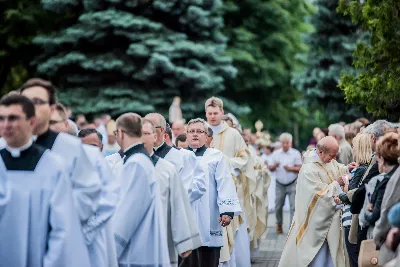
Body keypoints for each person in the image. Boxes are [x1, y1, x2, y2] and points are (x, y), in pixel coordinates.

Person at [0, 95, 91, 267]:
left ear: (31, 122)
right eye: (1, 118)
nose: (6, 125)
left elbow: (62, 229)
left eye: (13, 118)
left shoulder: (52, 167)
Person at [19, 78, 102, 224]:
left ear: (51, 109)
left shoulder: (72, 148)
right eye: (25, 102)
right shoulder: (5, 147)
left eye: (37, 102)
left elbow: (87, 198)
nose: (30, 107)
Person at [278, 136, 350, 267]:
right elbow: (317, 196)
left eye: (335, 156)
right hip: (314, 223)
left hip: (330, 221)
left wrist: (347, 169)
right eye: (332, 155)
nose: (334, 159)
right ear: (321, 152)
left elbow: (337, 168)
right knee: (318, 260)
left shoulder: (328, 160)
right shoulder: (308, 169)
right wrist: (336, 184)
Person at [112, 113, 170, 266]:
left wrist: (111, 250)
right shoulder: (141, 160)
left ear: (121, 133)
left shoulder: (136, 163)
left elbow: (128, 213)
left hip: (136, 250)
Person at [141, 119, 202, 267]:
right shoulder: (127, 162)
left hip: (174, 218)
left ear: (159, 132)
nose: (144, 137)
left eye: (148, 132)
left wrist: (170, 206)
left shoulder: (181, 157)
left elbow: (189, 189)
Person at [205, 96, 256, 267]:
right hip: (207, 190)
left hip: (231, 188)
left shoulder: (233, 134)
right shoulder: (201, 132)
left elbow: (245, 157)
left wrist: (227, 164)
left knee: (233, 228)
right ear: (205, 113)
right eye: (209, 113)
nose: (212, 116)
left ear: (222, 112)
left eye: (215, 113)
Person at [184, 118, 242, 267]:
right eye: (192, 131)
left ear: (206, 136)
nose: (195, 135)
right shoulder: (179, 156)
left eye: (199, 131)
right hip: (185, 215)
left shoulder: (216, 156)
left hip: (210, 214)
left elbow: (224, 183)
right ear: (186, 135)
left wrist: (227, 211)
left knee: (208, 259)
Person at [78, 128, 120, 267]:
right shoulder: (72, 171)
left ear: (102, 147)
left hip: (104, 233)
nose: (88, 151)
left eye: (93, 147)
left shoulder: (111, 169)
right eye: (84, 147)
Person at [144, 113, 205, 199]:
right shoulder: (139, 157)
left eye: (150, 128)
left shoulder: (182, 156)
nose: (145, 133)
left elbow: (195, 187)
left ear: (161, 130)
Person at [268, 133, 302, 233]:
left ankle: (292, 227)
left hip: (292, 182)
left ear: (290, 143)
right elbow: (270, 168)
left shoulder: (295, 153)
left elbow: (300, 168)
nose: (285, 145)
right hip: (280, 183)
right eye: (283, 143)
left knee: (293, 206)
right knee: (278, 205)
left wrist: (291, 168)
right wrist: (275, 165)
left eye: (287, 143)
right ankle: (279, 224)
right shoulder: (276, 154)